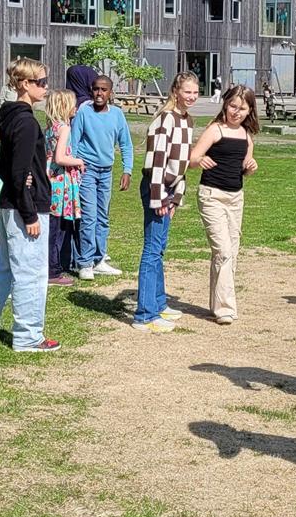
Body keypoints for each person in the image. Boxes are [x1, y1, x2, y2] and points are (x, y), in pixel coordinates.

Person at [0, 57, 60, 352]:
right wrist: (29, 212)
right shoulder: (24, 122)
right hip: (24, 208)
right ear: (24, 84)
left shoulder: (8, 117)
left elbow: (4, 168)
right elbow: (17, 172)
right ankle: (28, 336)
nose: (46, 87)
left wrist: (22, 189)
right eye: (41, 82)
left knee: (3, 270)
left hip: (12, 204)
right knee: (31, 274)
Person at [132, 72, 198, 333]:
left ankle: (158, 303)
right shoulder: (165, 120)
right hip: (155, 187)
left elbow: (181, 163)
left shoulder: (186, 120)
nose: (191, 97)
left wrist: (177, 196)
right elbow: (157, 161)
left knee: (159, 248)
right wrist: (158, 197)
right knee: (152, 250)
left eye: (195, 92)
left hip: (169, 189)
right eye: (187, 92)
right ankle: (144, 315)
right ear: (175, 91)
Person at [189, 85, 259, 325]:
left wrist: (250, 168)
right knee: (223, 251)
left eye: (242, 108)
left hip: (235, 198)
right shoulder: (215, 130)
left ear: (250, 110)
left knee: (231, 253)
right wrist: (200, 160)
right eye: (232, 106)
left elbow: (243, 167)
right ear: (225, 104)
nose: (236, 112)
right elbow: (191, 159)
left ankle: (216, 303)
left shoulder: (247, 136)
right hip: (212, 196)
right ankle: (226, 309)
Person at [70, 75, 132, 280]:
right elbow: (74, 141)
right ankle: (85, 262)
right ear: (91, 90)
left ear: (110, 93)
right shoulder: (83, 113)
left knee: (103, 216)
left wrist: (127, 170)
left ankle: (99, 259)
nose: (99, 93)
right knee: (89, 216)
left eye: (104, 90)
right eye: (96, 89)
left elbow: (125, 144)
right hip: (86, 170)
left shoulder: (117, 115)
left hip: (107, 171)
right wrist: (75, 166)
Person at [44, 89, 84, 286]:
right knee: (57, 228)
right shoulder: (64, 129)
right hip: (60, 183)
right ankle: (53, 270)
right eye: (72, 103)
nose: (75, 107)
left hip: (49, 181)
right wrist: (78, 160)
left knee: (52, 227)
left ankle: (50, 267)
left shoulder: (50, 127)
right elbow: (60, 158)